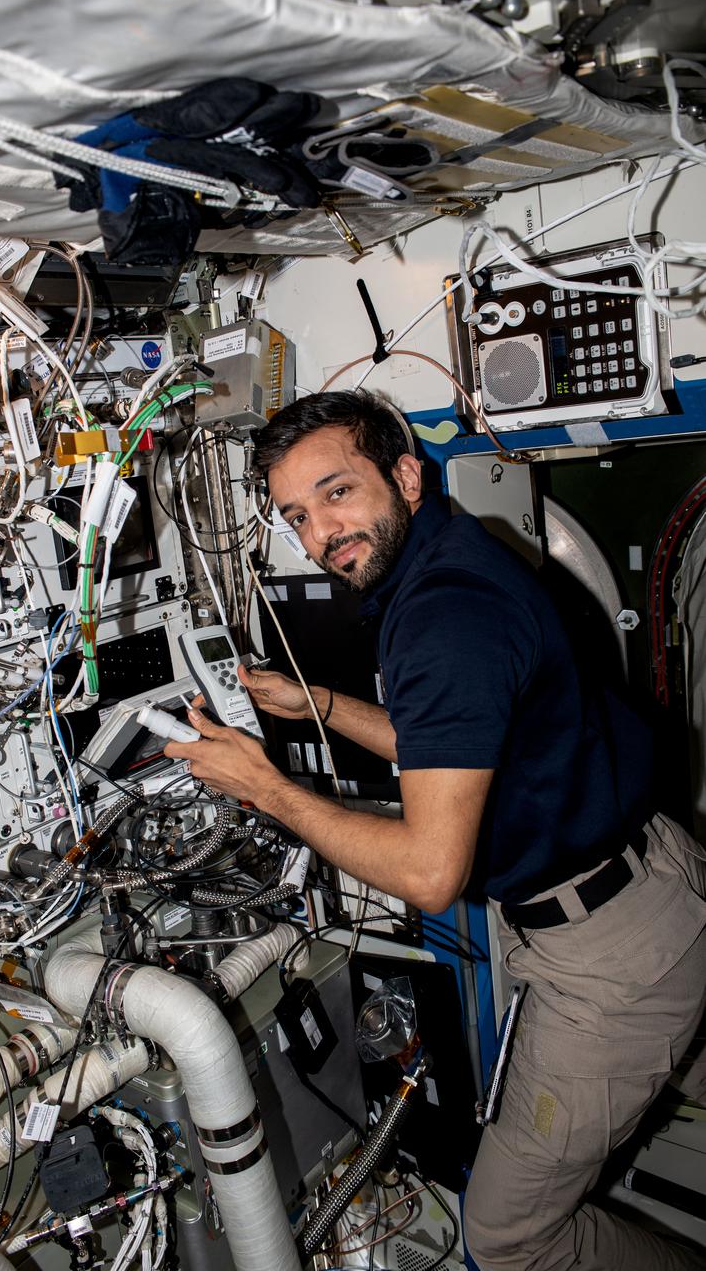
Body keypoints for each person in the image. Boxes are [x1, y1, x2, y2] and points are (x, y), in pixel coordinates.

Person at [164, 388, 706, 1271]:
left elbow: (428, 874)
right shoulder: (452, 559)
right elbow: (461, 740)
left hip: (610, 957)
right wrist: (319, 704)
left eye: (338, 492)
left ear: (407, 477)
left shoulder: (441, 618)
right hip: (653, 891)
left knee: (510, 1238)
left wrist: (266, 788)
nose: (320, 534)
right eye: (296, 516)